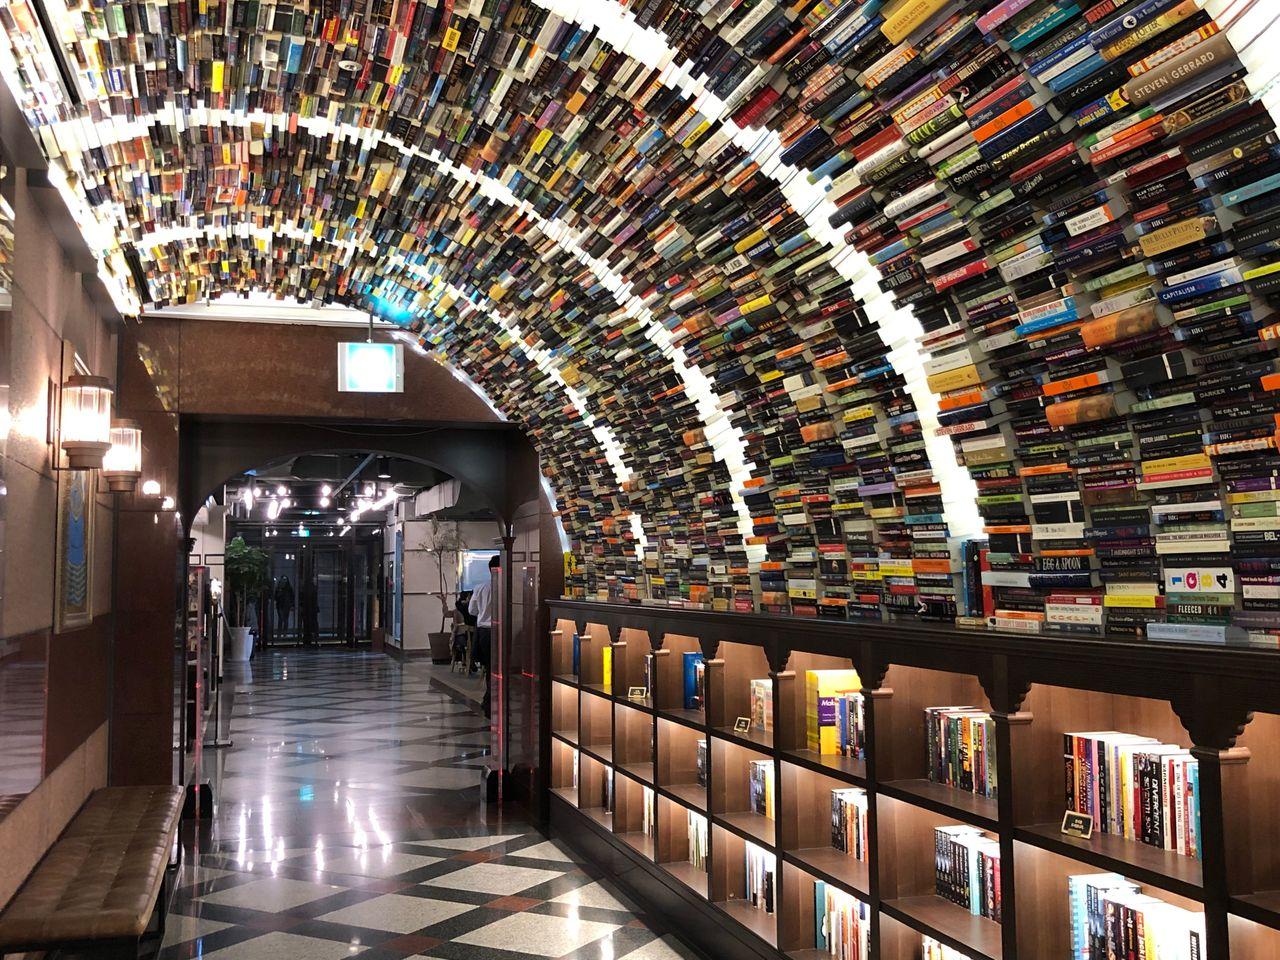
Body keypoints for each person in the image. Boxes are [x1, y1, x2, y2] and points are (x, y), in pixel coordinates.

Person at [467, 554, 499, 716]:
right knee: (499, 667)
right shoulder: (506, 587)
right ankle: (491, 701)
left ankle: (489, 702)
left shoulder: (480, 588)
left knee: (488, 667)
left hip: (483, 633)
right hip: (500, 631)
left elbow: (472, 611)